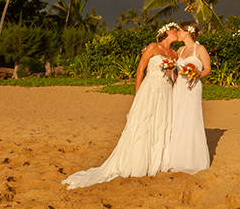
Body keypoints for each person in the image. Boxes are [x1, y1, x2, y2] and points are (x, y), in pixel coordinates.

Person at [62, 23, 180, 189]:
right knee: (143, 123)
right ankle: (138, 161)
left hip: (166, 92)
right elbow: (140, 70)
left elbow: (175, 78)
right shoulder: (153, 47)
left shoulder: (174, 53)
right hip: (150, 89)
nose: (176, 32)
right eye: (173, 29)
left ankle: (157, 161)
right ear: (166, 31)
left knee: (162, 123)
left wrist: (171, 73)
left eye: (177, 30)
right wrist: (137, 94)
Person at [167, 20, 212, 174]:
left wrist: (196, 74)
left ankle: (192, 159)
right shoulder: (180, 50)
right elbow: (174, 68)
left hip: (192, 87)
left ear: (187, 32)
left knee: (191, 119)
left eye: (179, 31)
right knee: (178, 118)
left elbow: (208, 69)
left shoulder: (199, 49)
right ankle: (176, 158)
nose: (177, 33)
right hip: (179, 87)